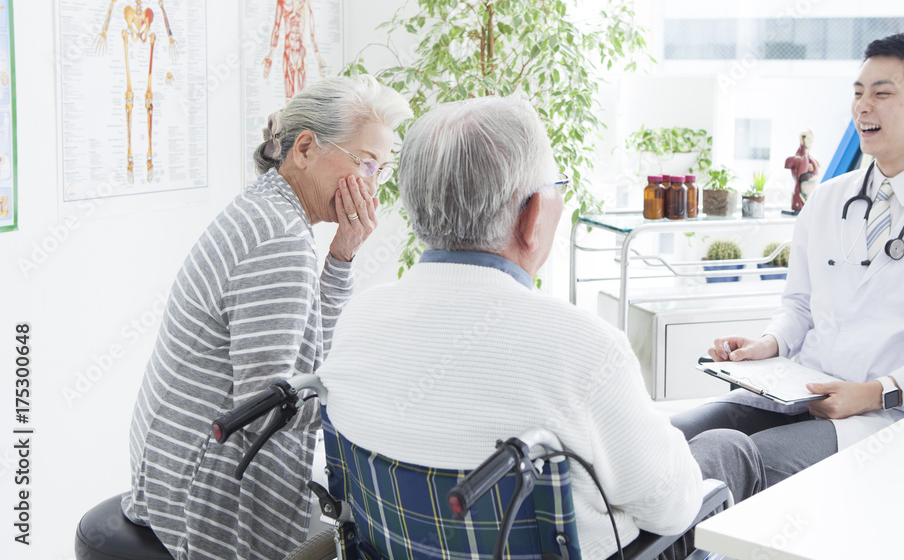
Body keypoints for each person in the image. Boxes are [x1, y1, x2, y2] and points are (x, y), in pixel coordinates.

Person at [318, 95, 765, 560]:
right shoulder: (585, 349)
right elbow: (671, 510)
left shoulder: (357, 320)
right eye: (558, 186)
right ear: (532, 216)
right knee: (728, 449)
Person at [672, 32, 904, 485]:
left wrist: (876, 393)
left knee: (724, 458)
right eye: (858, 93)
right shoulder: (827, 200)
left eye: (882, 93)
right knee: (668, 440)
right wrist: (770, 343)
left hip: (877, 417)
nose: (864, 106)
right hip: (794, 392)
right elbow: (799, 306)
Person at [122, 76, 412, 559]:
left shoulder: (269, 208)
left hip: (166, 471)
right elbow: (264, 414)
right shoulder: (280, 241)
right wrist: (373, 405)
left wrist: (341, 258)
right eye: (364, 163)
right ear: (304, 148)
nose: (371, 186)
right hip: (195, 499)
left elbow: (308, 361)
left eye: (380, 170)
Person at [784, 128, 821, 212]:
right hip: (800, 196)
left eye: (811, 139)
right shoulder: (796, 159)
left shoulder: (813, 159)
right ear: (802, 139)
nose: (810, 141)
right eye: (808, 138)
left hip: (807, 198)